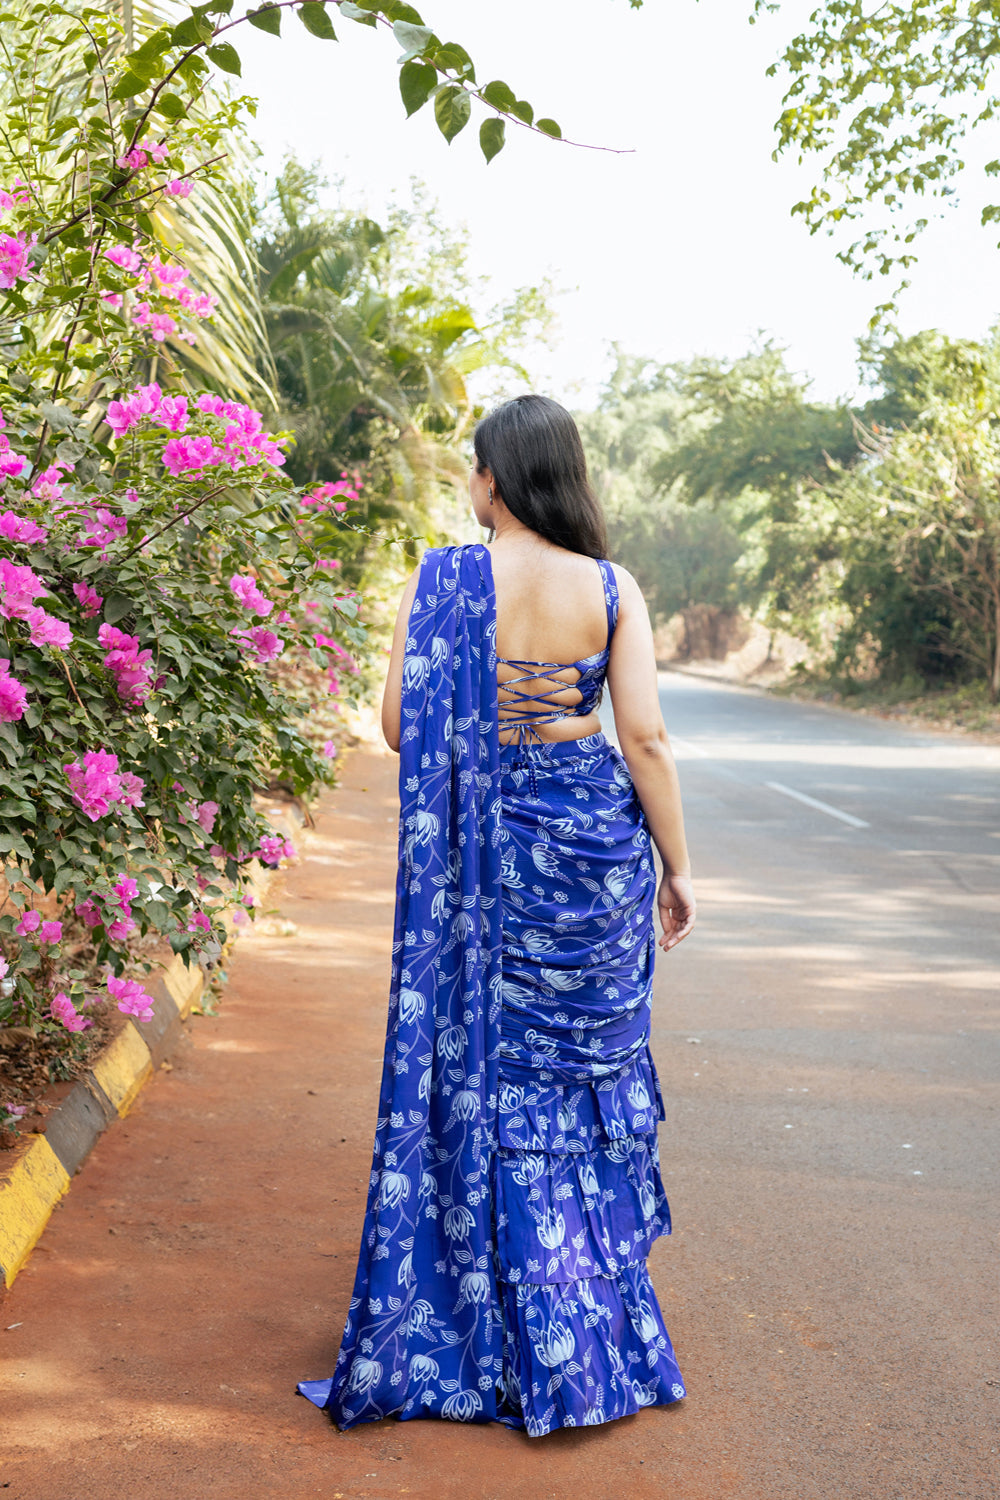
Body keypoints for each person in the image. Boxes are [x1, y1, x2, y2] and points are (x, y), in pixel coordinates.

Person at [297, 394, 696, 1435]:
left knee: (486, 1075)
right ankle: (588, 1324)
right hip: (588, 856)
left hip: (482, 861)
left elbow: (395, 725)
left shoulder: (440, 581)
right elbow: (644, 739)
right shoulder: (610, 588)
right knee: (578, 1075)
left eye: (476, 469)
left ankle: (480, 1323)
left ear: (495, 480)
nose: (471, 485)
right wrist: (677, 866)